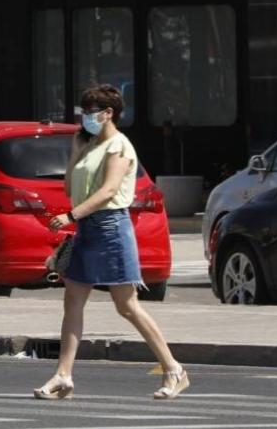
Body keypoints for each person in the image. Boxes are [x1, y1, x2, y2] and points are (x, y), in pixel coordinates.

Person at [34, 84, 189, 401]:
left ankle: (174, 369)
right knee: (73, 302)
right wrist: (76, 153)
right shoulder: (90, 147)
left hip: (110, 228)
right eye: (83, 112)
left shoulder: (120, 146)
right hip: (87, 230)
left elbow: (107, 192)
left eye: (91, 112)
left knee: (127, 306)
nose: (86, 118)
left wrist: (71, 217)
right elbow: (68, 187)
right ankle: (63, 376)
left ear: (108, 113)